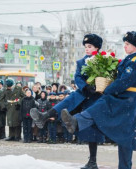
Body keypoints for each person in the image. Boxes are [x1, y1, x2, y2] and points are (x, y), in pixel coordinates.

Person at [61, 31, 136, 169]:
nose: (125, 46)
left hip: (127, 101)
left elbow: (122, 82)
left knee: (125, 138)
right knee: (100, 106)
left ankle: (77, 121)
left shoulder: (135, 62)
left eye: (127, 44)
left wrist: (107, 89)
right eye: (125, 43)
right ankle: (76, 121)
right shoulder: (129, 59)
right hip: (122, 99)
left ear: (135, 46)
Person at [31, 33, 105, 169]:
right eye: (85, 47)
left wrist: (97, 87)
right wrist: (85, 86)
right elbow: (77, 77)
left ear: (97, 48)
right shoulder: (81, 62)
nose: (87, 49)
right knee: (67, 100)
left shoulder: (104, 61)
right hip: (84, 93)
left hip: (96, 97)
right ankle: (44, 116)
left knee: (92, 129)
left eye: (90, 46)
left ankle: (92, 161)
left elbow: (107, 77)